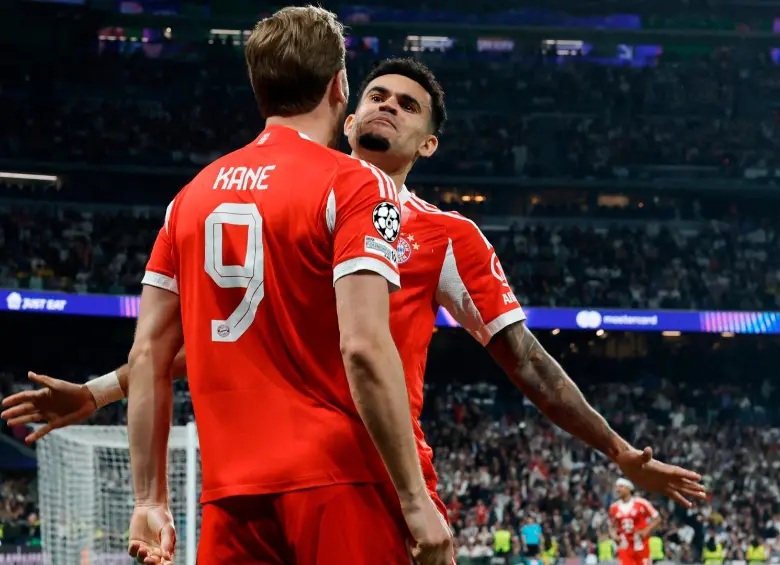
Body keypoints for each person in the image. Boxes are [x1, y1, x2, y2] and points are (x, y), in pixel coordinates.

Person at [3, 56, 706, 554]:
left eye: (406, 105)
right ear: (345, 112)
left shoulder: (446, 234)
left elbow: (528, 361)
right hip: (261, 482)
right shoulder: (293, 207)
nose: (386, 106)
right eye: (375, 95)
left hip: (376, 476)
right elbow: (215, 337)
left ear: (427, 142)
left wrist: (618, 449)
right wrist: (100, 392)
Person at [81, 9, 451, 565]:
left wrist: (149, 498)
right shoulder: (355, 184)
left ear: (259, 87)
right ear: (338, 88)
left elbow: (150, 352)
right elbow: (365, 348)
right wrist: (415, 499)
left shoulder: (189, 198)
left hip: (232, 498)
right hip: (338, 485)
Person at [609, 478, 662, 565]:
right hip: (625, 544)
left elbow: (657, 519)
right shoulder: (613, 507)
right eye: (616, 487)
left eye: (621, 486)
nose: (617, 489)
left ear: (629, 488)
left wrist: (646, 531)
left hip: (640, 543)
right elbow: (612, 526)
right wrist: (614, 536)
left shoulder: (642, 503)